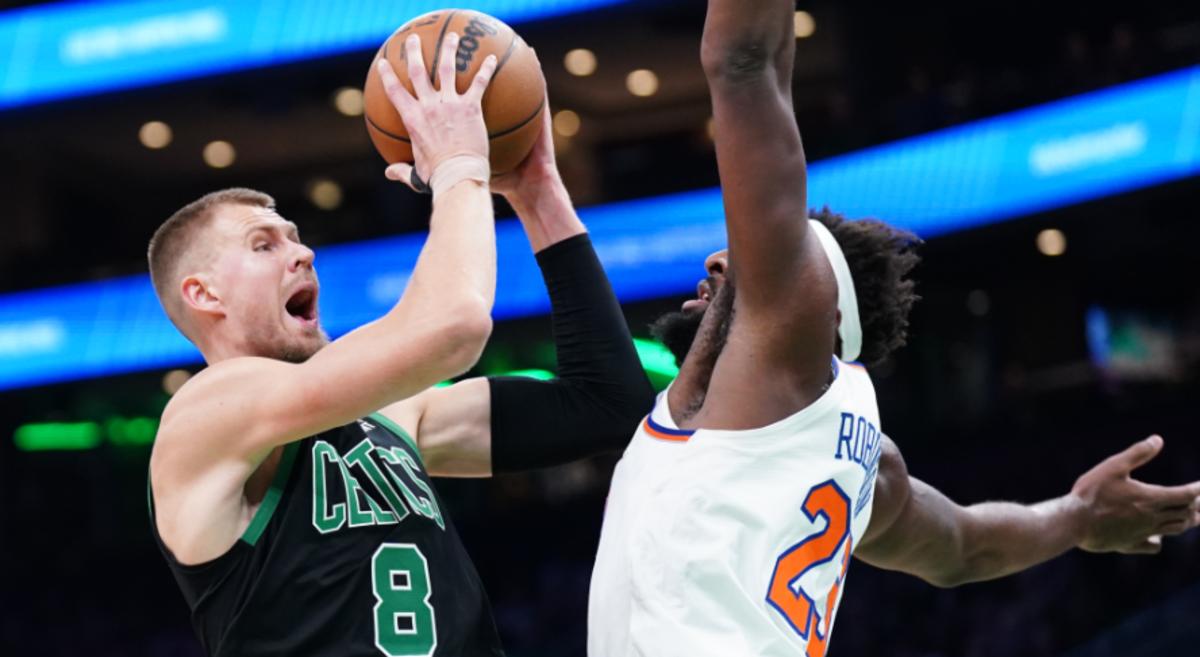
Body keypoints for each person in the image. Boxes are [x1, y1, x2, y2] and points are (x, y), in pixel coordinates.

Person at [586, 3, 1200, 656]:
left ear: (811, 304)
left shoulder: (787, 360)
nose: (718, 258)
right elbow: (963, 543)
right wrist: (1075, 515)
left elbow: (746, 60)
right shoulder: (859, 459)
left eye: (757, 262)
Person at [147, 32, 652, 656]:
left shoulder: (396, 416)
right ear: (204, 295)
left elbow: (609, 404)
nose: (302, 251)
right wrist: (459, 169)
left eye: (296, 237)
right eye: (263, 244)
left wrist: (538, 193)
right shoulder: (205, 413)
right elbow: (453, 329)